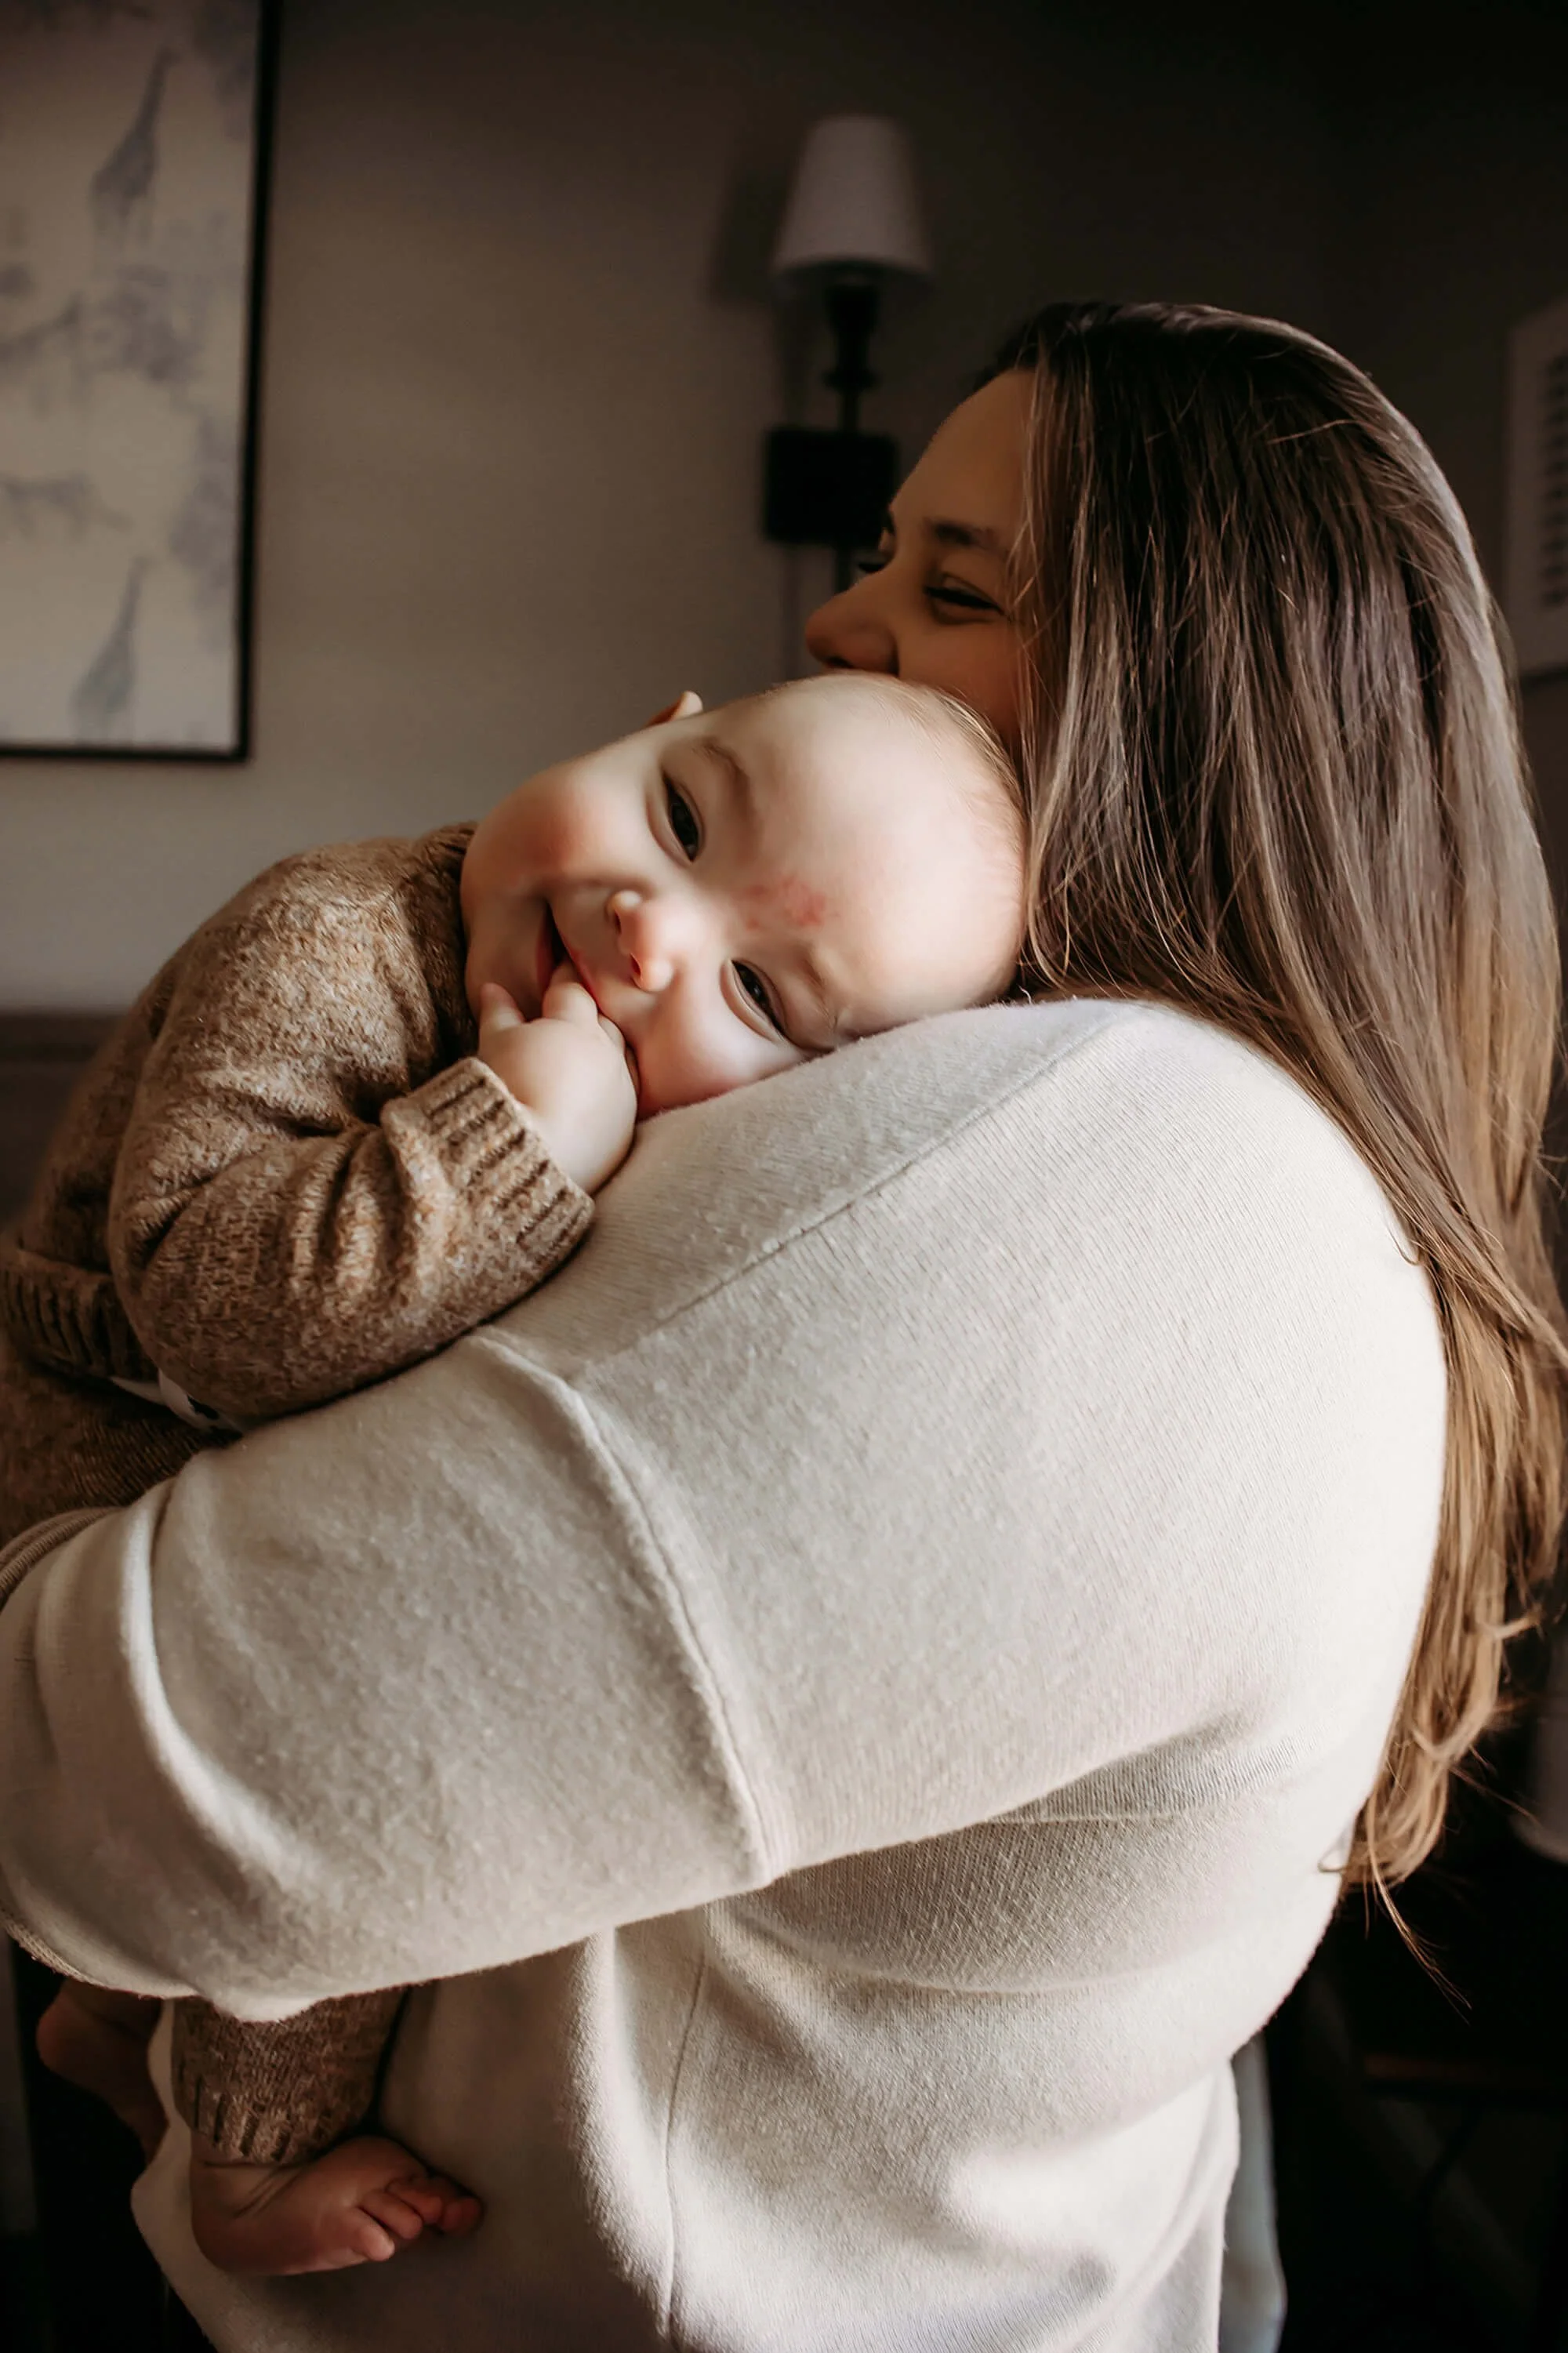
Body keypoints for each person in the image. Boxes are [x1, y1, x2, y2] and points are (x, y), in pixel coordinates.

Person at [1, 299, 1563, 2353]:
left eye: (951, 583)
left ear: (1175, 714)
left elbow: (147, 1799)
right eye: (883, 551)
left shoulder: (1121, 1170)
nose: (834, 624)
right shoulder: (1172, 1156)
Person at [0, 671, 1025, 2278]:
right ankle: (252, 2167)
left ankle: (105, 2018)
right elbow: (204, 1308)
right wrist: (513, 1140)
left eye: (755, 997)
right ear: (650, 714)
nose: (642, 928)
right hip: (88, 1435)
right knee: (354, 1737)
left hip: (223, 1437)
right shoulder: (328, 935)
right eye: (679, 815)